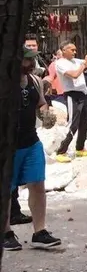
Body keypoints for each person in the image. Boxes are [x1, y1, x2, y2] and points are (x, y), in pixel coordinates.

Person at [3, 47, 62, 254]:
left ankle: (40, 232)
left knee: (37, 185)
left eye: (31, 61)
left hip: (31, 142)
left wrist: (46, 114)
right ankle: (6, 233)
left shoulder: (34, 81)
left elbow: (41, 103)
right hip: (7, 146)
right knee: (6, 190)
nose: (30, 65)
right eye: (27, 61)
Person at [54, 43, 87, 163]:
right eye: (72, 50)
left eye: (75, 50)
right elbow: (74, 75)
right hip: (72, 95)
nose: (74, 52)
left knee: (85, 123)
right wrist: (83, 65)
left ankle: (80, 148)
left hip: (82, 94)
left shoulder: (76, 61)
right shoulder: (60, 63)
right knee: (73, 124)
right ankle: (61, 151)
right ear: (63, 50)